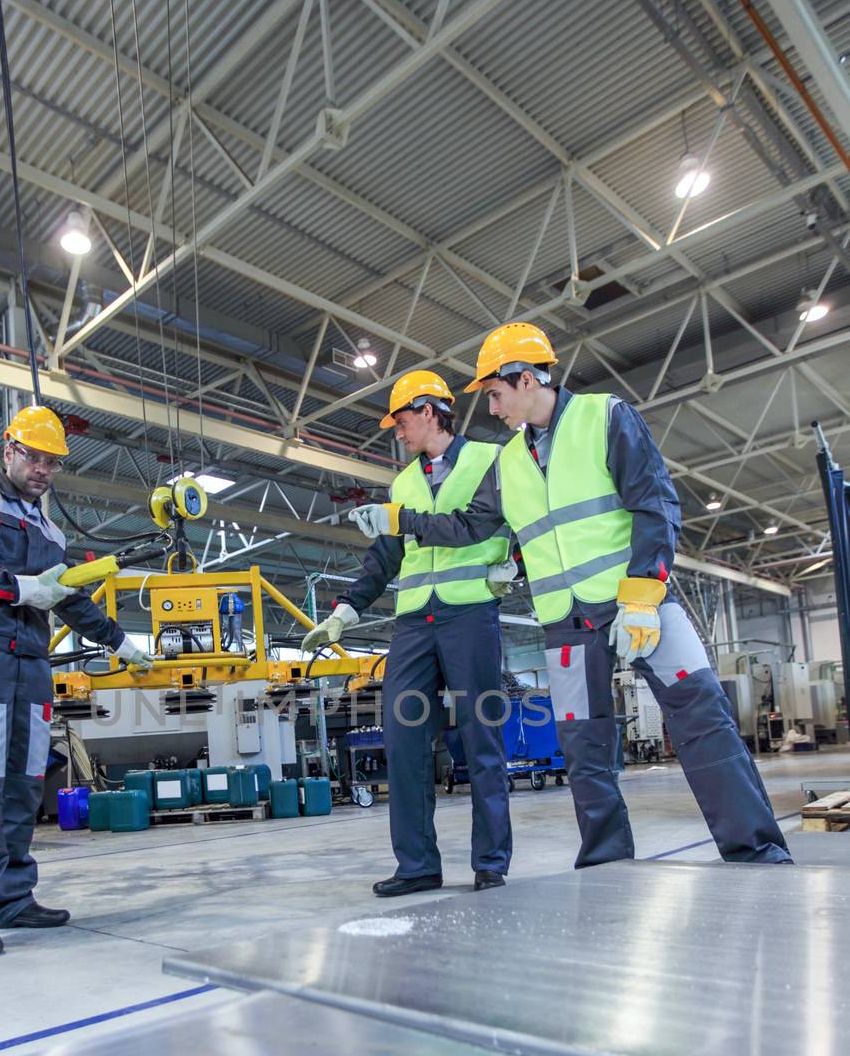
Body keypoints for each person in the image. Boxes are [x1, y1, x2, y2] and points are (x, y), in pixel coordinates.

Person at [457, 321, 791, 867]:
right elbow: (483, 526)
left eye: (494, 393)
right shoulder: (508, 461)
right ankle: (607, 859)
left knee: (703, 719)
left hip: (641, 602)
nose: (491, 408)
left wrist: (641, 597)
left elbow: (654, 505)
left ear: (522, 379)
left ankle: (756, 849)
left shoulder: (604, 416)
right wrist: (407, 521)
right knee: (582, 747)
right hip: (564, 621)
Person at [0, 404, 153, 958]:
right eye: (34, 456)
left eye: (52, 461)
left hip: (30, 665)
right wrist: (21, 590)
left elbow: (69, 597)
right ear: (9, 449)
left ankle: (12, 897)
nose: (43, 469)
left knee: (26, 783)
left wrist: (120, 642)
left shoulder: (48, 529)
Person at [302, 370, 515, 895]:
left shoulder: (491, 461)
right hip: (415, 622)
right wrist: (346, 612)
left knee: (480, 736)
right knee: (403, 739)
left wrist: (519, 566)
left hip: (470, 613)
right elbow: (385, 558)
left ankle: (490, 862)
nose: (396, 433)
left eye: (400, 421)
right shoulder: (403, 483)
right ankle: (417, 865)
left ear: (426, 411)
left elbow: (484, 526)